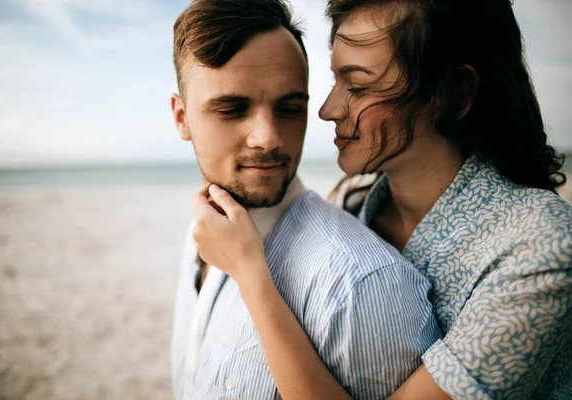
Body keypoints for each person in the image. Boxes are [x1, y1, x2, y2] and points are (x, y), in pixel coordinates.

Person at [193, 0, 572, 399]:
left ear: (453, 94)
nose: (327, 109)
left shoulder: (540, 246)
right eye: (335, 81)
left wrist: (251, 274)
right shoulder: (352, 206)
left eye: (358, 86)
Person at [169, 0, 441, 399]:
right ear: (181, 118)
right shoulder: (202, 231)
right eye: (232, 108)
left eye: (290, 108)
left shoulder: (357, 286)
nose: (269, 138)